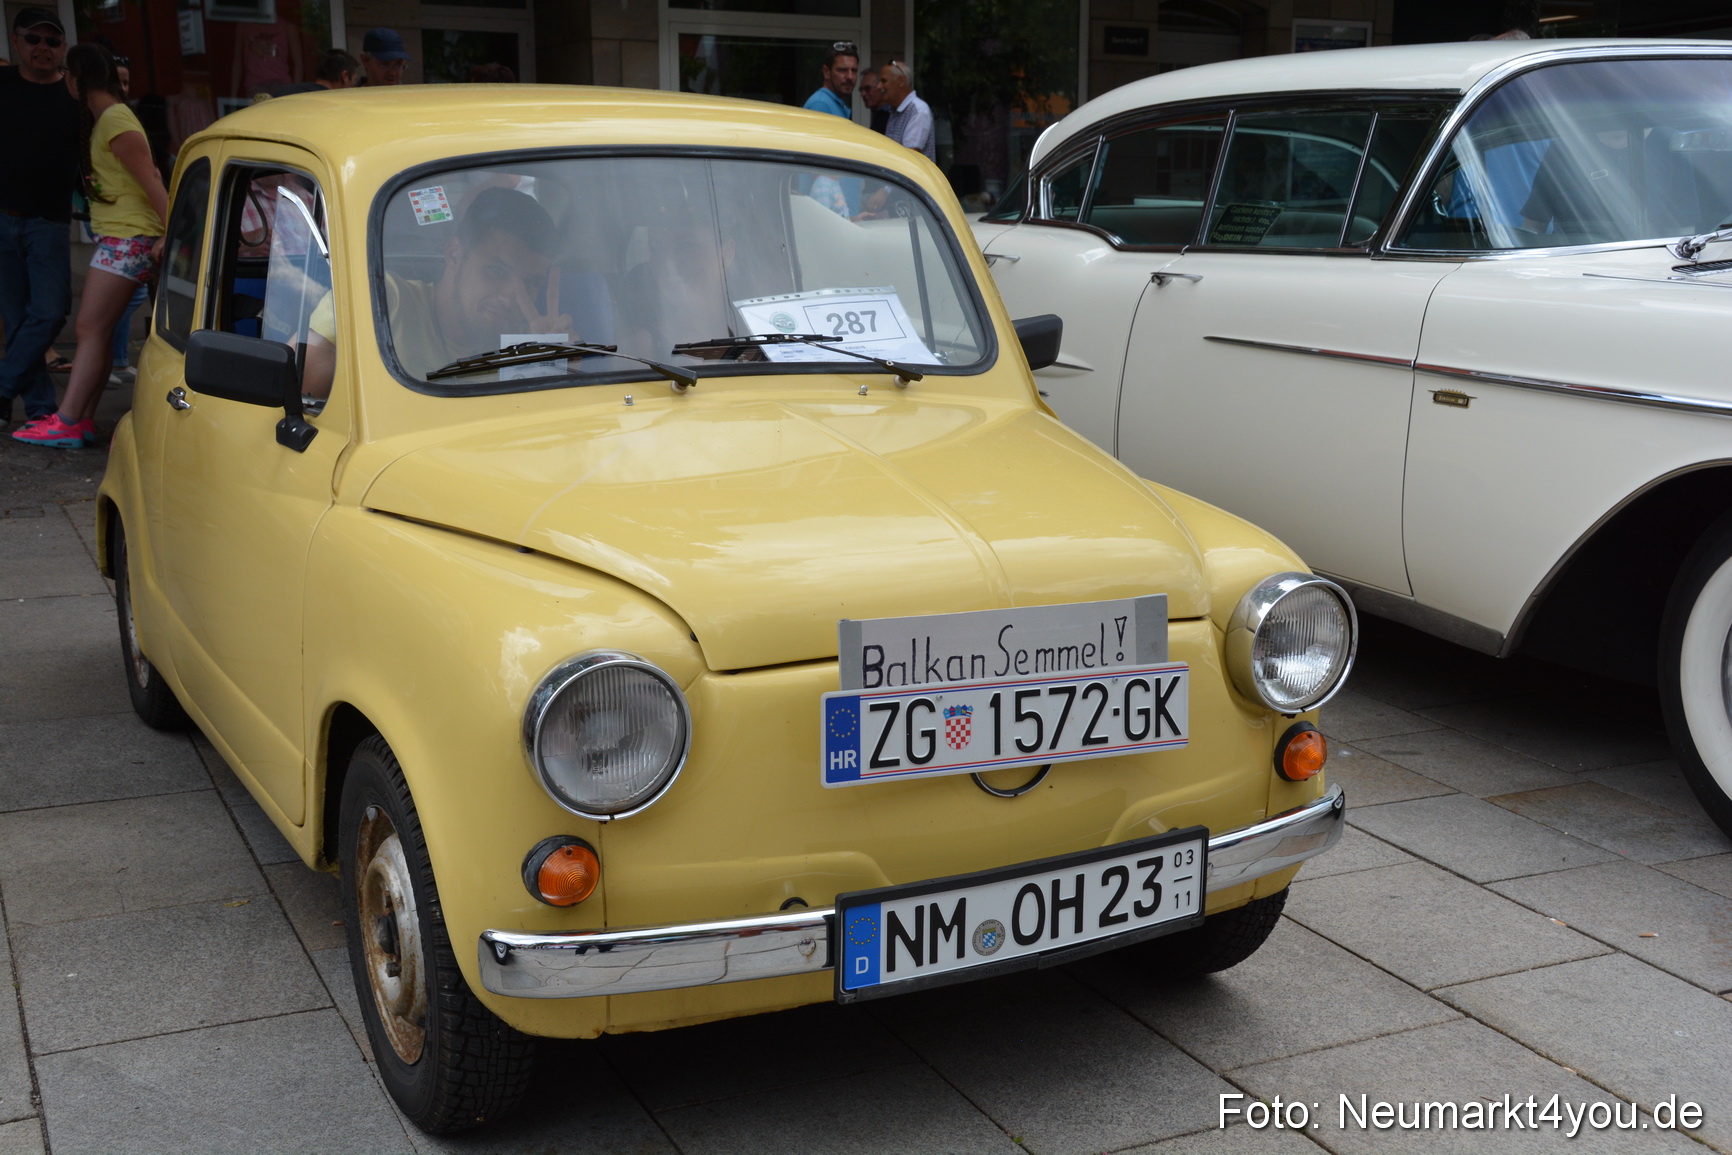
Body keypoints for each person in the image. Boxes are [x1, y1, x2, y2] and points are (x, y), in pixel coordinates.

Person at [13, 43, 168, 448]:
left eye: (66, 72)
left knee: (89, 328)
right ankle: (79, 421)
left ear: (77, 79)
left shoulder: (115, 119)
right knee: (96, 331)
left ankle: (66, 420)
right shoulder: (108, 118)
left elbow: (151, 178)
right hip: (124, 236)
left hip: (128, 237)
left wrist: (174, 233)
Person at [302, 186, 566, 394]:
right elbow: (298, 395)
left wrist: (552, 361)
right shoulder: (382, 303)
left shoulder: (530, 342)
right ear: (454, 254)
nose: (511, 297)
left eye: (530, 283)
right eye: (496, 271)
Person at [0, 7, 80, 428]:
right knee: (17, 320)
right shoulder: (2, 84)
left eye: (52, 41)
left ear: (63, 47)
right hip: (3, 216)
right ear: (17, 41)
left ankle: (2, 387)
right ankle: (39, 411)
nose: (43, 48)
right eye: (34, 39)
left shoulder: (72, 92)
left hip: (49, 220)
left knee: (49, 312)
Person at [881, 60, 935, 160]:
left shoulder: (918, 111)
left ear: (901, 81)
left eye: (884, 81)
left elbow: (909, 157)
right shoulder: (894, 110)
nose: (879, 86)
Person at [802, 41, 856, 119]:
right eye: (842, 70)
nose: (850, 77)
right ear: (826, 72)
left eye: (854, 70)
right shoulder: (820, 105)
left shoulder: (836, 103)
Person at [274, 49, 360, 95]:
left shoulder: (282, 92)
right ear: (344, 77)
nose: (354, 87)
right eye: (354, 80)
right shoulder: (331, 103)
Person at [860, 67, 890, 134]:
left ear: (881, 87)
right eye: (861, 90)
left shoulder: (891, 115)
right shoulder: (878, 114)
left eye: (867, 88)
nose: (863, 94)